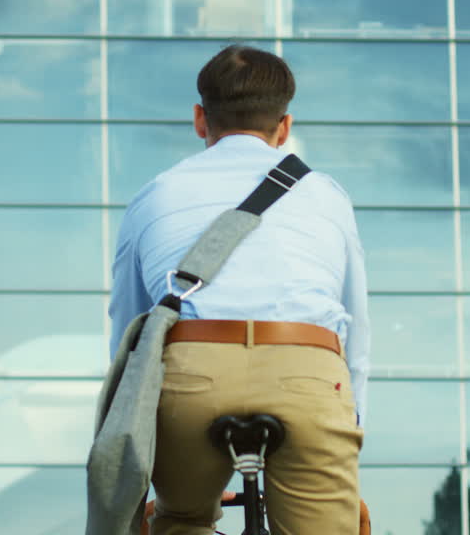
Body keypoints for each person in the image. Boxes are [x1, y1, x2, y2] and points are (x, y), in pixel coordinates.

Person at [107, 44, 369, 535]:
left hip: (191, 376)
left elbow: (130, 331)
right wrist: (349, 425)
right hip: (308, 373)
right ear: (284, 127)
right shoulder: (326, 194)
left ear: (199, 119)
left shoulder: (155, 194)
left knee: (180, 519)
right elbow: (354, 327)